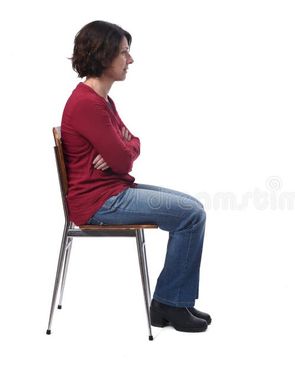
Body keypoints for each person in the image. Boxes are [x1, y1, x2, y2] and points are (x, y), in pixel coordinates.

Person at [61, 20, 211, 333]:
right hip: (99, 203)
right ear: (104, 56)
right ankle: (169, 302)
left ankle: (172, 301)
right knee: (192, 215)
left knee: (193, 207)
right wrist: (121, 151)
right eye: (124, 53)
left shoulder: (103, 101)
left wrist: (122, 149)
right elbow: (124, 159)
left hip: (112, 191)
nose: (130, 60)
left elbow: (131, 145)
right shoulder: (88, 104)